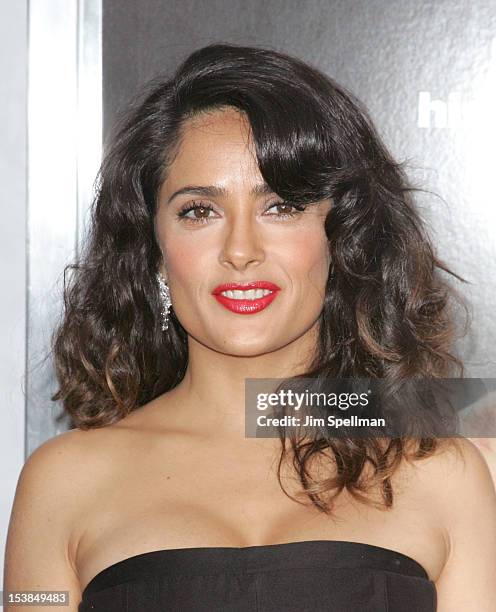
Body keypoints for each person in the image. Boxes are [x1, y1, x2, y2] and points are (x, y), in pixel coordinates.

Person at [4, 43, 496, 612]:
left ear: (344, 236)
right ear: (154, 250)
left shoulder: (440, 472)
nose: (240, 250)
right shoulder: (62, 483)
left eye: (281, 206)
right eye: (198, 211)